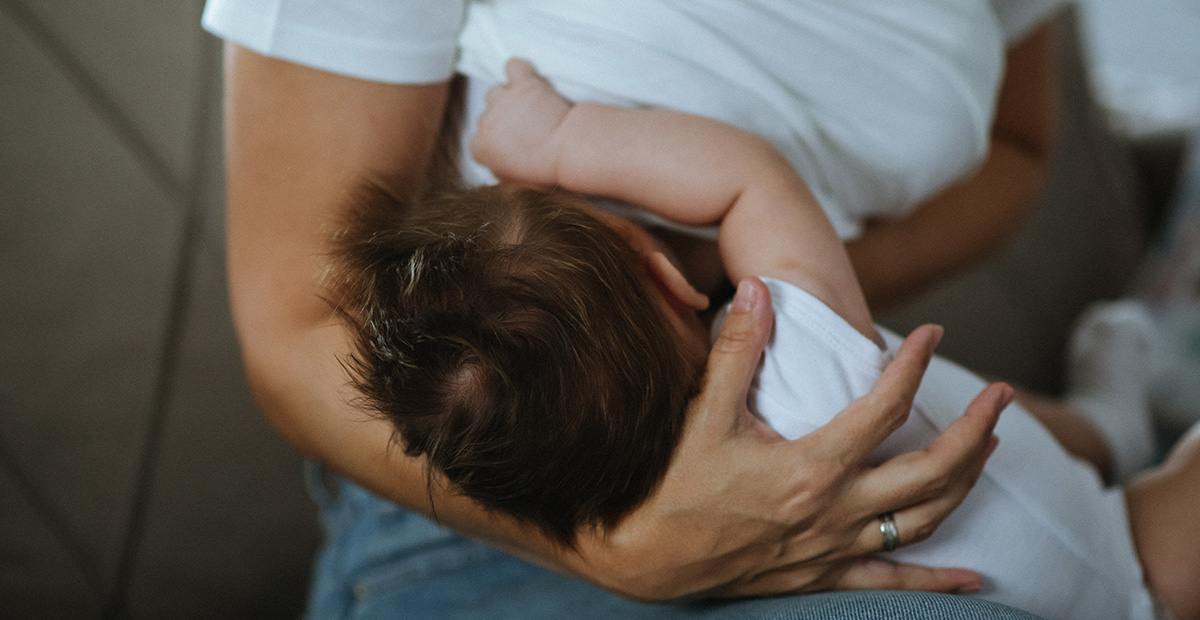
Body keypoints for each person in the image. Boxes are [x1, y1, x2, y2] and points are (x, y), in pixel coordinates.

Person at [202, 0, 1068, 614]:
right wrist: (627, 548)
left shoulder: (750, 295)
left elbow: (1016, 151)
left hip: (789, 399)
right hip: (495, 515)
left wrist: (775, 280)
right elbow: (298, 335)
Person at [329, 59, 1198, 620]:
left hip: (1066, 571)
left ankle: (1111, 418)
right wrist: (558, 140)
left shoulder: (662, 521)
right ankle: (1119, 418)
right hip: (1131, 563)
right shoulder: (790, 342)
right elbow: (749, 180)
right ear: (662, 270)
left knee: (983, 429)